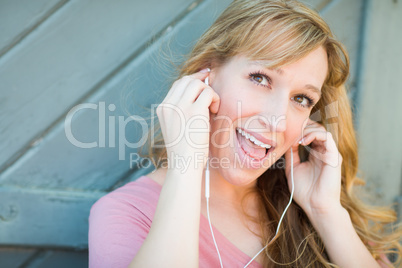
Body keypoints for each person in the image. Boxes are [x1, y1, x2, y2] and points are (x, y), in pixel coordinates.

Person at [88, 0, 402, 267]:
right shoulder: (126, 214)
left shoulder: (310, 207)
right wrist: (186, 166)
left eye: (301, 99)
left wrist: (326, 212)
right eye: (260, 78)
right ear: (205, 75)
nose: (278, 121)